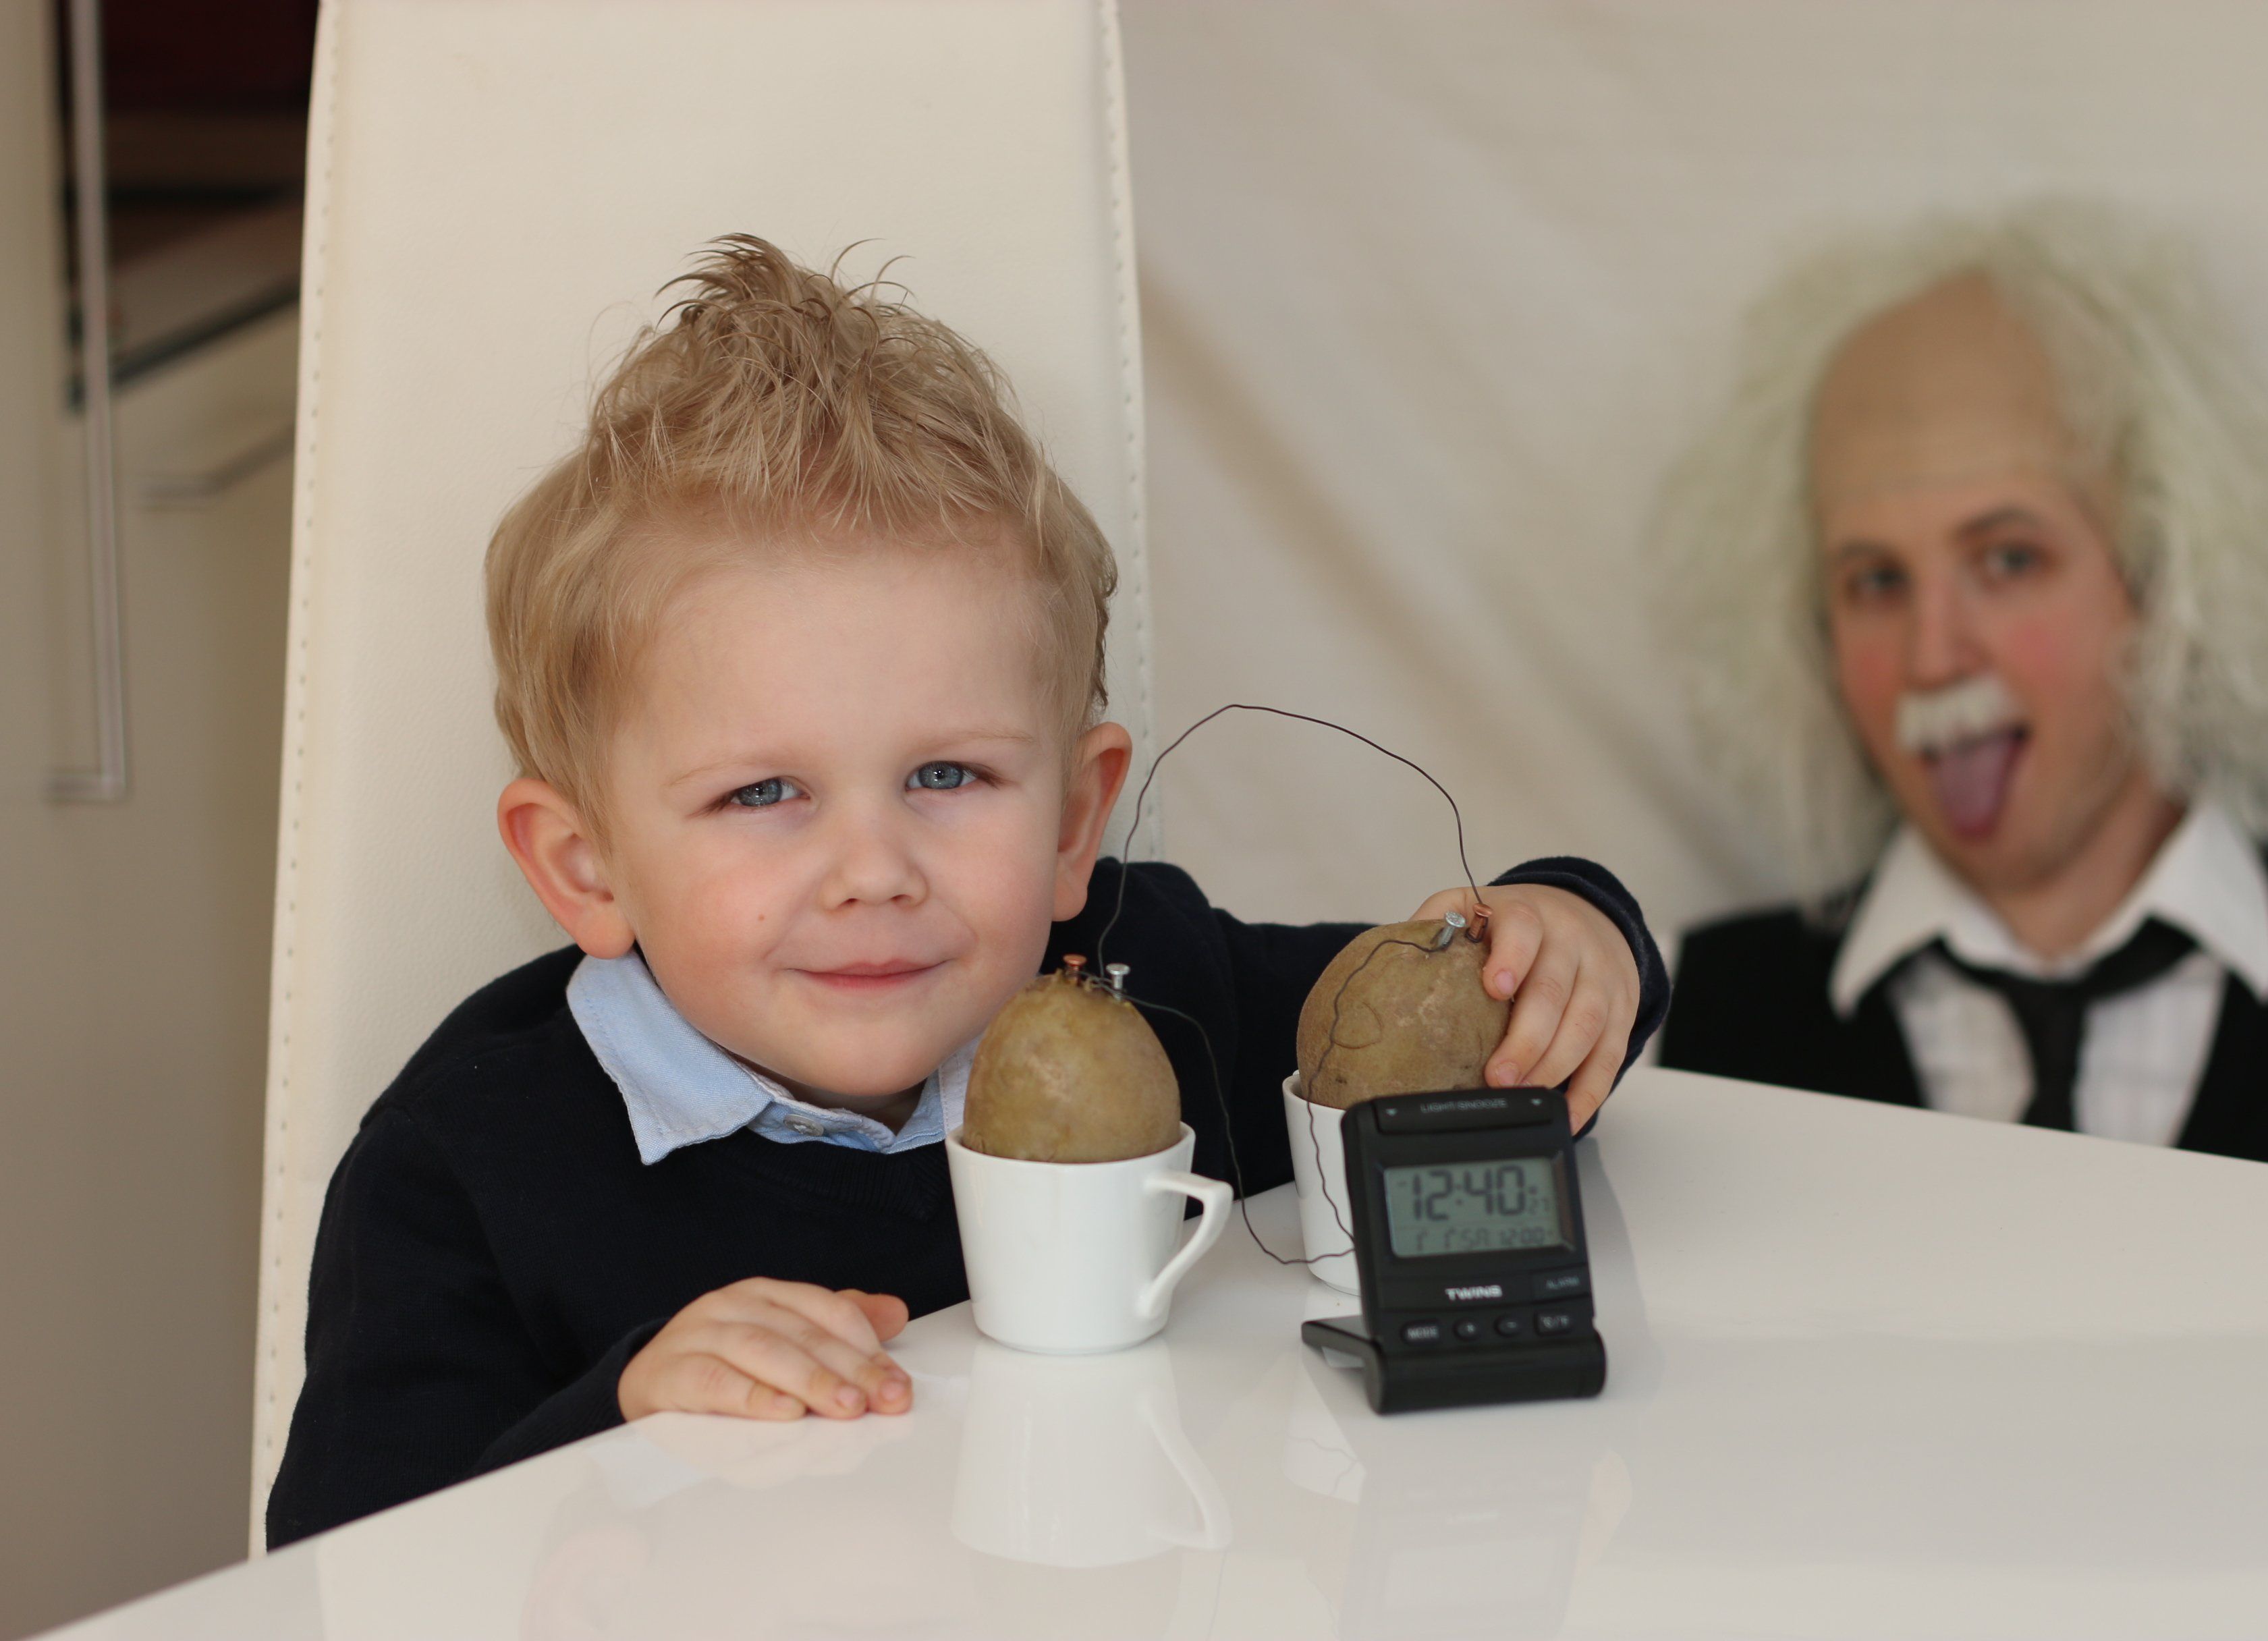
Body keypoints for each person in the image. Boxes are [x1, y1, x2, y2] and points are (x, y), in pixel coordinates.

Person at [266, 237, 1667, 1546]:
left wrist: (1571, 931)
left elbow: (1447, 1056)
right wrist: (617, 1425)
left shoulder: (1157, 983)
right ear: (586, 867)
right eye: (763, 793)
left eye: (947, 775)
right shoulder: (464, 1168)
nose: (875, 872)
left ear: (1073, 821)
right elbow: (337, 1576)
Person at [1650, 202, 2268, 1193]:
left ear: (2165, 575)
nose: (1933, 657)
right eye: (1877, 581)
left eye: (2008, 560)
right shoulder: (1697, 1026)